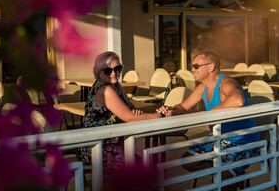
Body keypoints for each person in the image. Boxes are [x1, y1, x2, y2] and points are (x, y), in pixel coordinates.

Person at [157, 50, 259, 190]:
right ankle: (232, 173)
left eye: (196, 66)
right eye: (192, 66)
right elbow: (183, 106)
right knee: (188, 162)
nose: (192, 69)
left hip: (243, 139)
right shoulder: (203, 87)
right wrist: (170, 110)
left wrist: (210, 114)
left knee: (223, 182)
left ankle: (229, 174)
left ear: (210, 67)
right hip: (219, 137)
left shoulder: (227, 82)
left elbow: (238, 100)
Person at [79, 51, 167, 174]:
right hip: (97, 147)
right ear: (98, 72)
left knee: (141, 164)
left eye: (117, 68)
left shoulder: (115, 84)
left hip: (112, 142)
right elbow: (130, 118)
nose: (114, 73)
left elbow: (130, 107)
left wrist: (132, 111)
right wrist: (161, 115)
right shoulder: (105, 90)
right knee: (139, 167)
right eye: (107, 70)